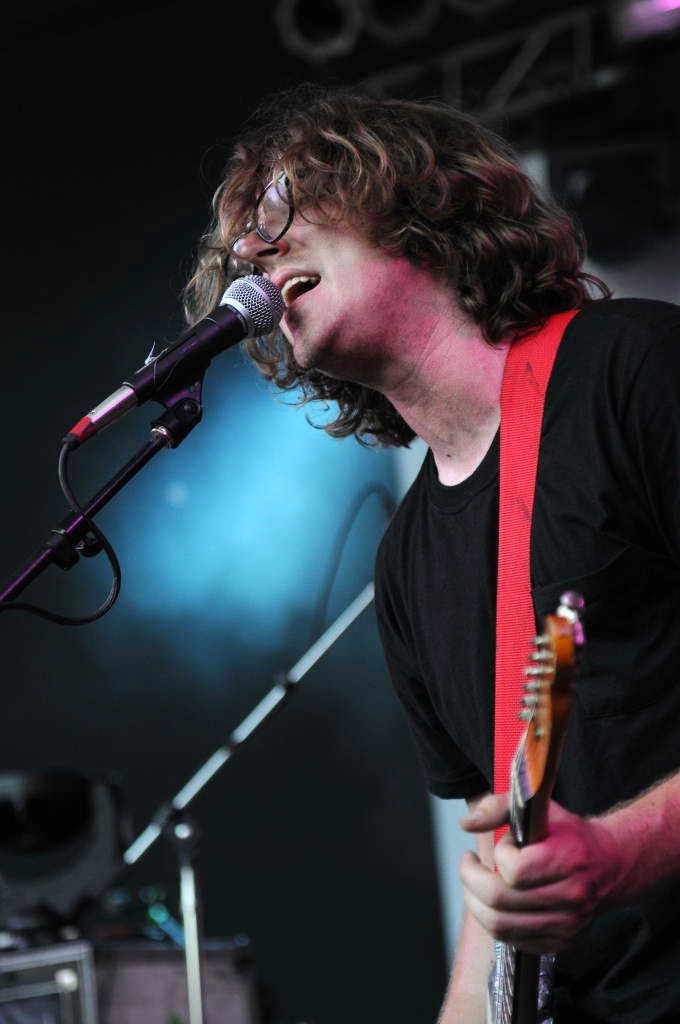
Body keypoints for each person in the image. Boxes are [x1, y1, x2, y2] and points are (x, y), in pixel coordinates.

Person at [184, 87, 680, 1023]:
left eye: (280, 211)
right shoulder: (406, 565)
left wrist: (620, 854)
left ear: (412, 200)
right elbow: (500, 869)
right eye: (243, 241)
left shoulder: (637, 370)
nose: (250, 251)